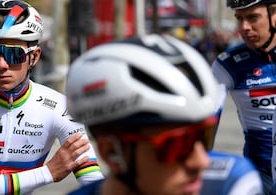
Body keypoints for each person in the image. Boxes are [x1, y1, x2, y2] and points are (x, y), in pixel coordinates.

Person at [0, 0, 104, 195]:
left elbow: (93, 180)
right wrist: (48, 173)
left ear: (34, 56)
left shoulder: (59, 106)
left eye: (13, 54)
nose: (1, 65)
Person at [65, 34, 263, 195]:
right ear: (112, 154)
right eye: (177, 145)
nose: (202, 162)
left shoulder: (234, 183)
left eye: (204, 136)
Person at [212, 0, 276, 193]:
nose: (244, 27)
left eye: (253, 17)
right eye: (239, 18)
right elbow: (205, 121)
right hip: (260, 173)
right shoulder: (229, 64)